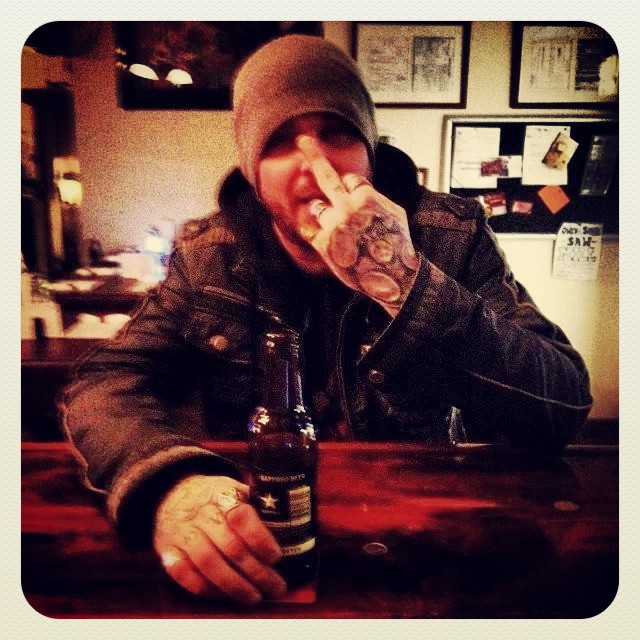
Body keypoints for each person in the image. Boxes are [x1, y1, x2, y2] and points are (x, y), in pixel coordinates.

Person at [60, 35, 592, 606]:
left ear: (369, 149)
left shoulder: (451, 236)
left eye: (337, 133)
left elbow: (560, 407)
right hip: (260, 537)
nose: (314, 164)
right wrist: (170, 483)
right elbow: (104, 384)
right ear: (252, 171)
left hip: (420, 542)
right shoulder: (209, 254)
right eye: (280, 141)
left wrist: (407, 282)